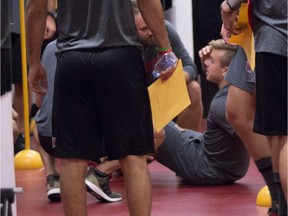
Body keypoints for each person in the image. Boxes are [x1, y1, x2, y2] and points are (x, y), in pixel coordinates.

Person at [26, 1, 177, 216]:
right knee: (133, 156)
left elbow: (35, 7)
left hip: (73, 59)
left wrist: (34, 62)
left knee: (72, 159)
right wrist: (165, 47)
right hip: (120, 57)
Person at [34, 40, 122, 203]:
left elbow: (40, 102)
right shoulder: (99, 47)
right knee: (153, 133)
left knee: (41, 118)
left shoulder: (49, 48)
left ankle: (52, 176)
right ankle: (99, 174)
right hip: (78, 142)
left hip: (48, 139)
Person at [220, 1, 287, 215]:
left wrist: (229, 5)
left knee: (283, 133)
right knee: (240, 111)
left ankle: (282, 200)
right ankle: (279, 198)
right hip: (259, 25)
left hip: (274, 28)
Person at [154, 39, 250, 185]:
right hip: (231, 168)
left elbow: (251, 133)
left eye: (211, 61)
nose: (205, 63)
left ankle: (107, 168)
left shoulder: (223, 104)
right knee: (179, 130)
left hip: (207, 168)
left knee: (151, 122)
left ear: (225, 71)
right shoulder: (233, 92)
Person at [224, 43, 282, 216]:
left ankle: (282, 204)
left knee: (278, 117)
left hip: (275, 22)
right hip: (253, 25)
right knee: (237, 111)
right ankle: (278, 199)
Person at [132, 1, 203, 131]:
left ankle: (187, 144)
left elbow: (190, 67)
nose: (151, 32)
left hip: (159, 95)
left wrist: (172, 77)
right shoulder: (123, 43)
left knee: (193, 88)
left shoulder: (165, 29)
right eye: (144, 29)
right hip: (133, 101)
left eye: (151, 26)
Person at [11, 0, 57, 153]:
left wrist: (49, 15)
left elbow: (36, 6)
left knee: (21, 81)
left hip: (20, 24)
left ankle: (20, 135)